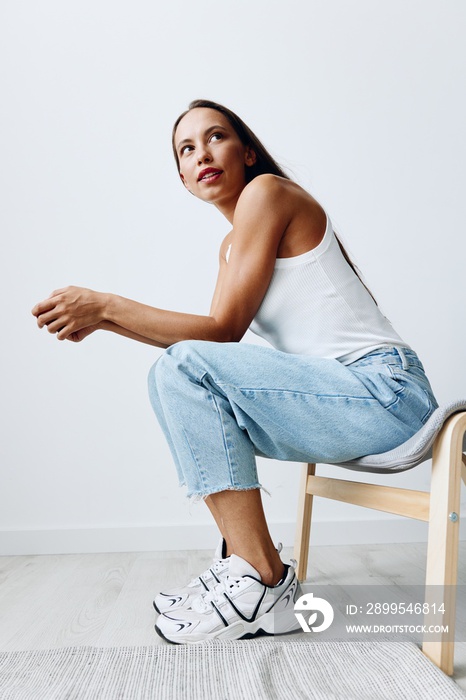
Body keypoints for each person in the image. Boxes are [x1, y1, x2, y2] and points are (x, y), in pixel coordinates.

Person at [32, 99, 438, 644]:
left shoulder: (268, 194)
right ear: (182, 178)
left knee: (183, 368)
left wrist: (106, 306)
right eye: (187, 148)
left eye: (216, 137)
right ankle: (248, 571)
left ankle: (259, 577)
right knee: (172, 372)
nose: (202, 153)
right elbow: (212, 339)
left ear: (246, 151)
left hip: (386, 391)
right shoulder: (231, 247)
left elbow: (219, 333)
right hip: (341, 396)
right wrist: (105, 322)